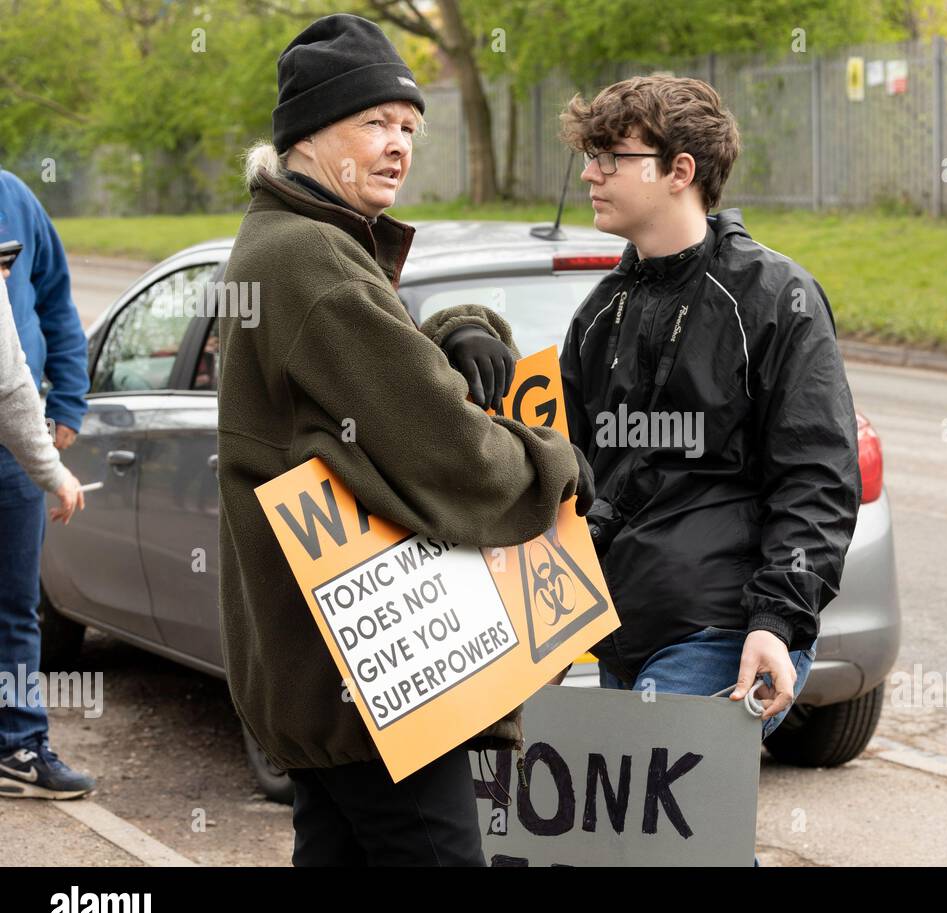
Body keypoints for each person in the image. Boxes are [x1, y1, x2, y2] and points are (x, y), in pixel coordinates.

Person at [219, 14, 592, 866]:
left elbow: (377, 377)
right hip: (377, 679)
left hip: (321, 667)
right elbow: (443, 450)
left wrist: (462, 327)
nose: (398, 146)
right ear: (310, 135)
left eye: (410, 128)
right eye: (376, 123)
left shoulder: (287, 243)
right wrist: (558, 469)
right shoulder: (309, 257)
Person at [557, 75, 860, 738]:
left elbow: (818, 477)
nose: (589, 173)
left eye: (612, 156)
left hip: (724, 629)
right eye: (589, 155)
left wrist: (777, 621)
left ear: (680, 171)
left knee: (665, 835)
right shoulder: (597, 317)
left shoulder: (776, 297)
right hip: (622, 632)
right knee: (646, 836)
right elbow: (576, 482)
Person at [0, 165, 94, 799]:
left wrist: (66, 405)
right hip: (20, 426)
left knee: (14, 604)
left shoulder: (14, 197)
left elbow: (56, 301)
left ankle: (20, 744)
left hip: (16, 443)